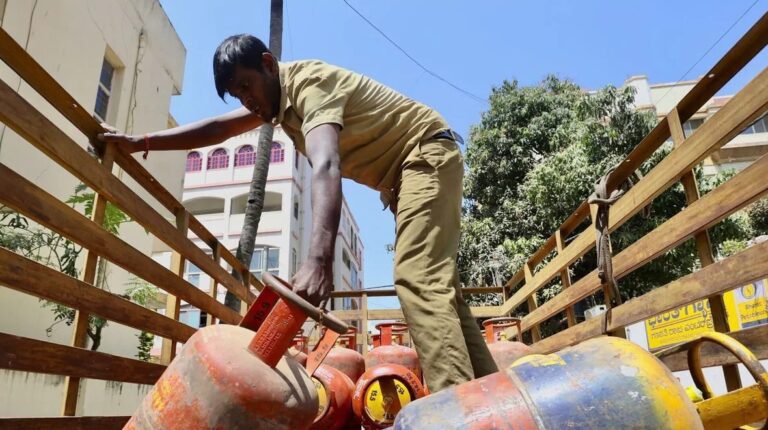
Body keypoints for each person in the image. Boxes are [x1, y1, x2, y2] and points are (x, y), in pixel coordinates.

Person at [99, 34, 497, 392]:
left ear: (268, 65)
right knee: (441, 291)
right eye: (237, 94)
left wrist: (319, 261)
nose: (246, 100)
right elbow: (218, 129)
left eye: (246, 86)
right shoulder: (275, 103)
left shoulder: (309, 84)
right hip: (410, 172)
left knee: (418, 278)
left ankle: (456, 407)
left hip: (423, 155)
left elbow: (326, 165)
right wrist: (143, 141)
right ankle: (492, 392)